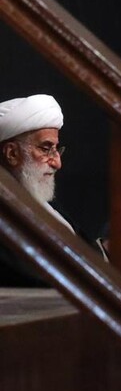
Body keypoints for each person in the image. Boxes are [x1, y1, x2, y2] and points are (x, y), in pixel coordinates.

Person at [0, 93, 73, 284]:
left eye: (56, 149)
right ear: (12, 153)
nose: (57, 163)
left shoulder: (45, 204)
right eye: (46, 148)